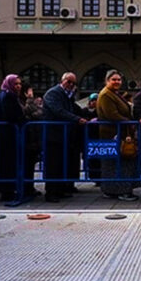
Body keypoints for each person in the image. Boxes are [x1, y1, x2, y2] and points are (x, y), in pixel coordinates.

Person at [42, 72, 87, 203]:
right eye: (69, 82)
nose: (71, 85)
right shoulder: (53, 93)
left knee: (62, 164)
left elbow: (75, 109)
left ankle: (60, 190)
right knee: (53, 165)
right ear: (62, 81)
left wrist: (88, 114)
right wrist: (77, 119)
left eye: (74, 83)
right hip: (54, 135)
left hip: (64, 135)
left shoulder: (68, 95)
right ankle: (51, 192)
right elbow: (59, 111)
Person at [97, 70, 141, 201]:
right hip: (112, 134)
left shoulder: (114, 94)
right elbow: (112, 114)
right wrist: (129, 122)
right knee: (117, 164)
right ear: (107, 81)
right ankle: (121, 191)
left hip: (118, 133)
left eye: (119, 80)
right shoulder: (106, 95)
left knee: (118, 163)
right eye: (114, 80)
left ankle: (114, 190)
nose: (117, 82)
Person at [0, 75, 26, 201]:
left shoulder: (7, 95)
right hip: (6, 136)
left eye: (19, 83)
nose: (18, 86)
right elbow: (13, 115)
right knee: (6, 164)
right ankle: (7, 190)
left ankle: (7, 190)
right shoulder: (8, 96)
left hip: (4, 135)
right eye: (15, 84)